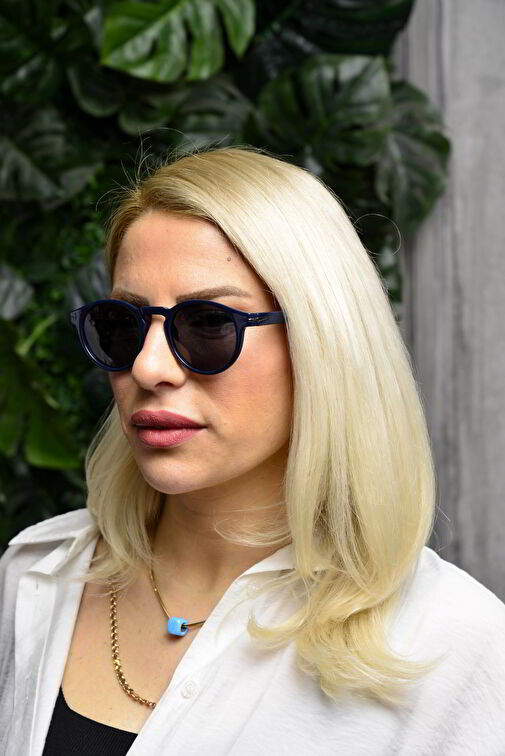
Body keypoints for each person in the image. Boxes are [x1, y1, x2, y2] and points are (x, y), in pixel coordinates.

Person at [1, 145, 505, 756]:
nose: (148, 366)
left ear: (322, 341)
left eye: (209, 324)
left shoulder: (450, 643)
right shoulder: (36, 576)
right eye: (123, 324)